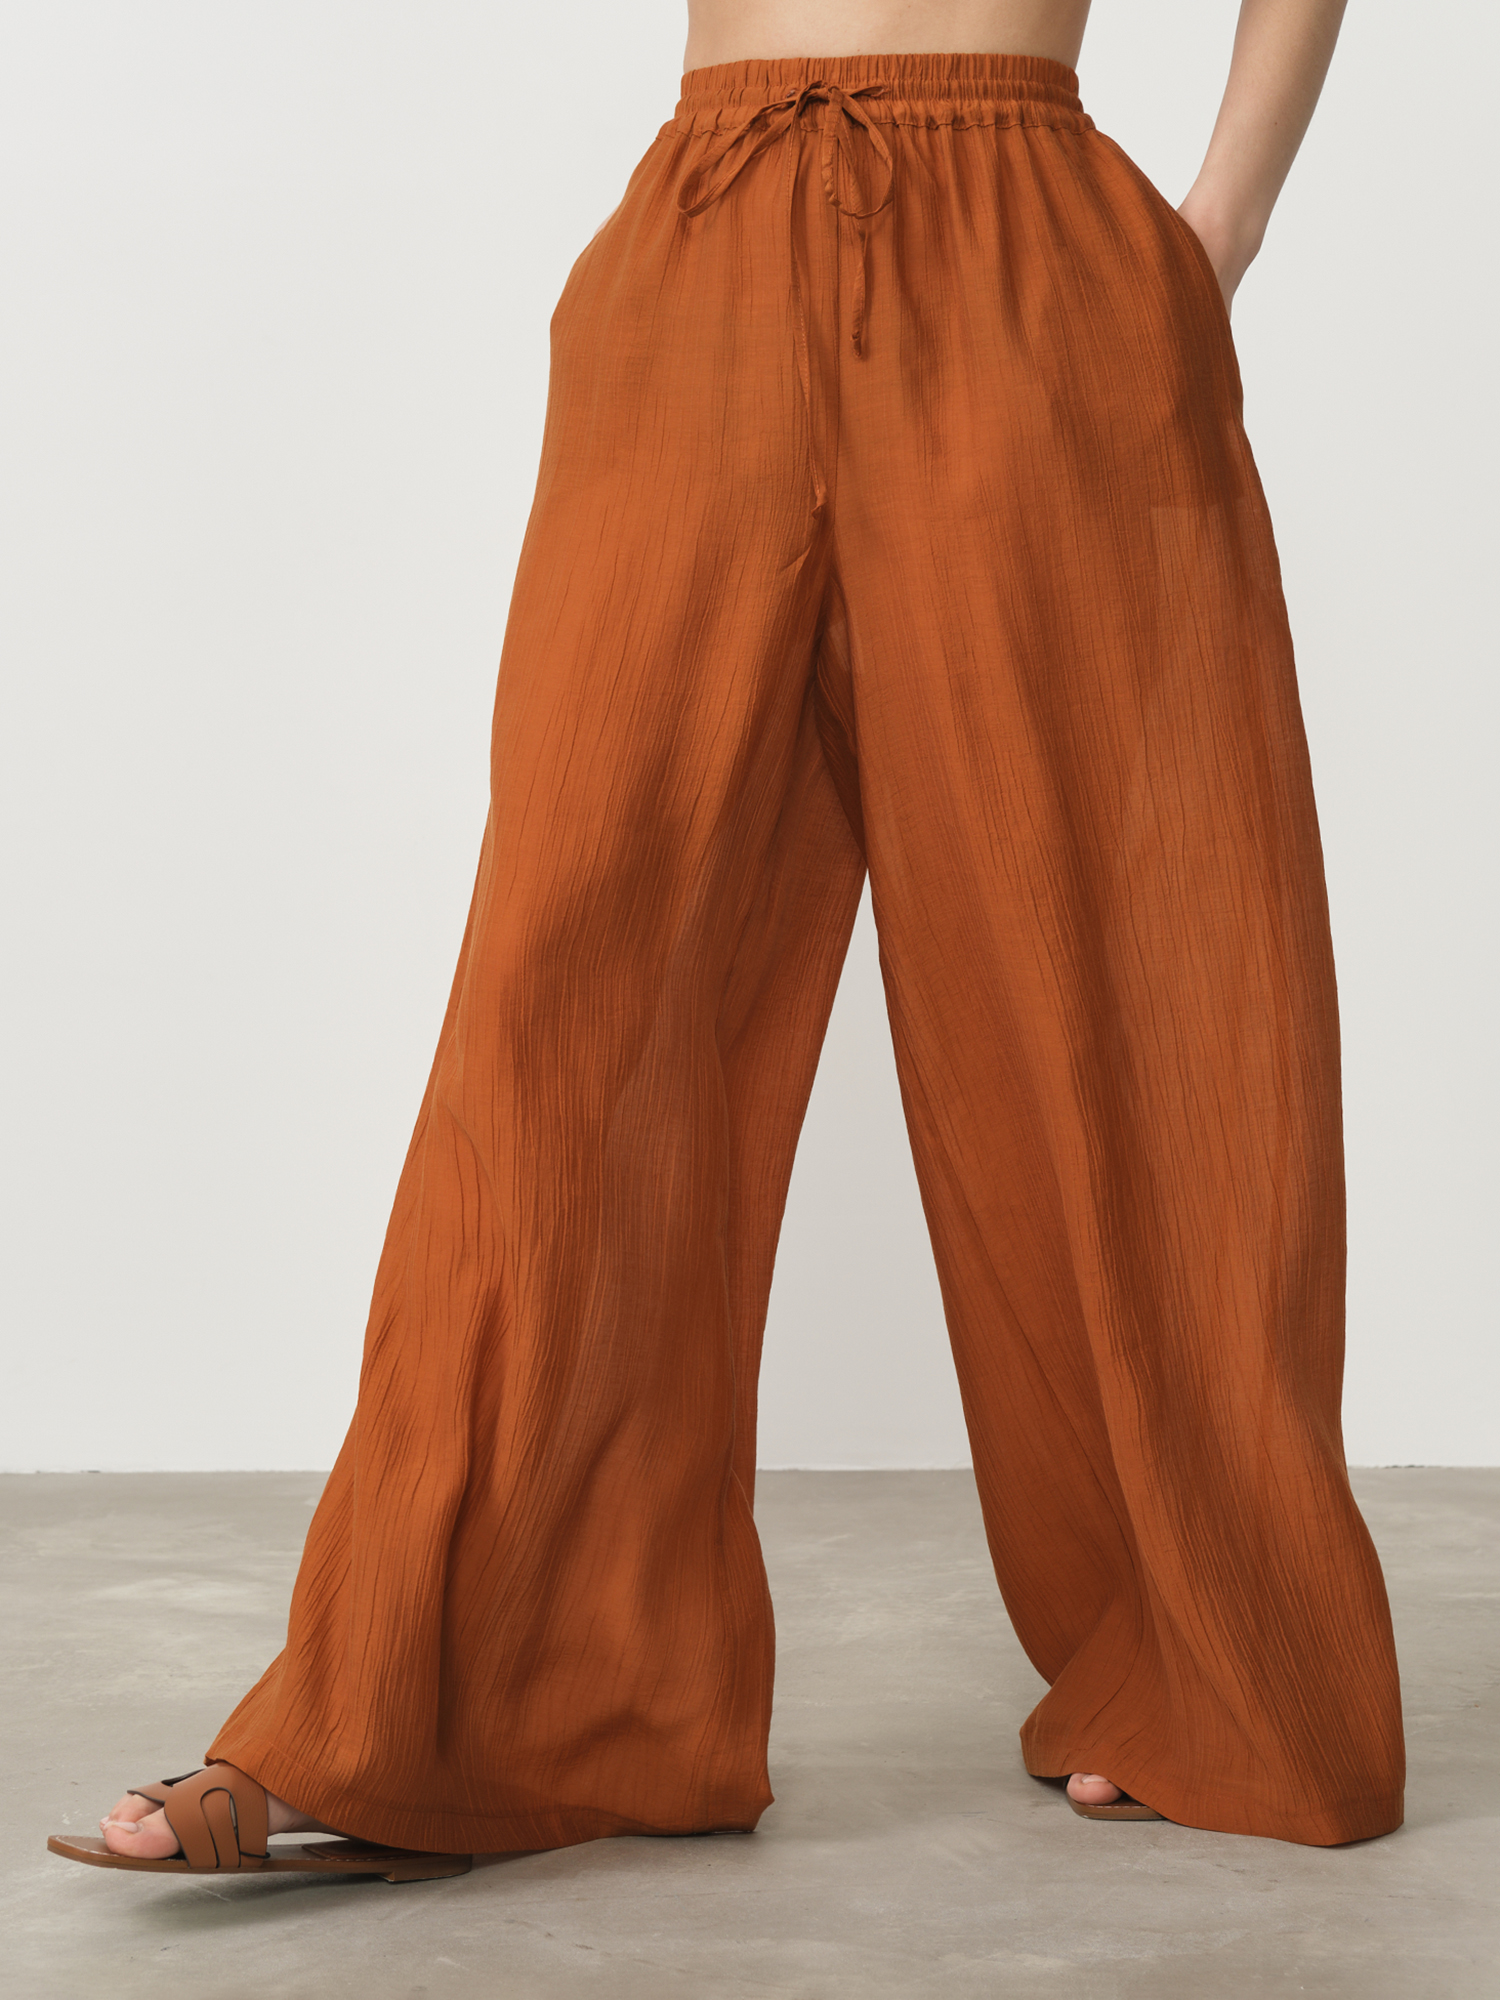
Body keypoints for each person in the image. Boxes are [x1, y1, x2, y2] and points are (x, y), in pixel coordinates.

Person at [55, 0, 1406, 1875]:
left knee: (1125, 973)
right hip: (700, 237)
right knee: (565, 990)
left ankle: (1205, 1662)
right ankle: (444, 1708)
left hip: (1034, 232)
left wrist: (1218, 229)